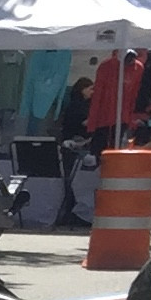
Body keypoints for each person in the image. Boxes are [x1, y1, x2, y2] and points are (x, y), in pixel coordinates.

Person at [56, 75, 94, 227]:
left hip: (81, 143)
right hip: (73, 145)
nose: (93, 92)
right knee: (71, 181)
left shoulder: (86, 104)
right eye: (90, 89)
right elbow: (86, 123)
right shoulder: (76, 106)